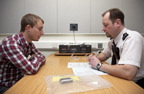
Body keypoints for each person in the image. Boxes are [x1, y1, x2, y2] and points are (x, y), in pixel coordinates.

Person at [88, 8, 144, 88]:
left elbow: (128, 72)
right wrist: (94, 58)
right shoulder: (113, 41)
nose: (102, 29)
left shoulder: (132, 38)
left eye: (106, 25)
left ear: (117, 23)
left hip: (135, 84)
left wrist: (99, 65)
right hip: (120, 79)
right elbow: (104, 55)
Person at [0, 13, 46, 94]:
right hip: (6, 86)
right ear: (28, 28)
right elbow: (31, 69)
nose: (42, 33)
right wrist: (35, 59)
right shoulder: (10, 43)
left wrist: (34, 59)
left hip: (20, 80)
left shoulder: (29, 43)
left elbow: (42, 56)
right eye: (40, 29)